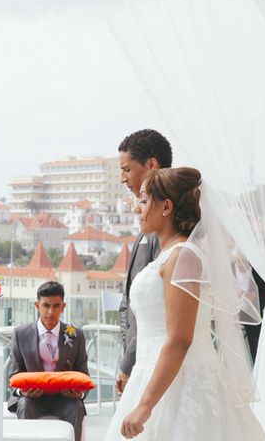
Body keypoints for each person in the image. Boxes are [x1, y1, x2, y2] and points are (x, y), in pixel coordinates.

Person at [104, 168, 265, 440]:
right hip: (154, 374)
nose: (136, 208)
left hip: (183, 384)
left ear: (166, 206)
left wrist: (145, 406)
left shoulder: (183, 256)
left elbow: (180, 338)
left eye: (143, 201)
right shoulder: (170, 254)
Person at [116, 129, 173, 393]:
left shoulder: (166, 228)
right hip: (141, 358)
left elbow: (153, 307)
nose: (122, 178)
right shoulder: (149, 223)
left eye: (127, 169)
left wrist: (128, 365)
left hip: (152, 362)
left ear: (151, 165)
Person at [7, 281, 88, 441]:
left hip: (65, 399)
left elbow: (83, 373)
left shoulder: (75, 335)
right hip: (32, 399)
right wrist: (23, 392)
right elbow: (13, 376)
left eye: (56, 306)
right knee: (25, 405)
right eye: (46, 305)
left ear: (63, 306)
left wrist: (79, 392)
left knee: (77, 408)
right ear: (37, 305)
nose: (51, 312)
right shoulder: (20, 334)